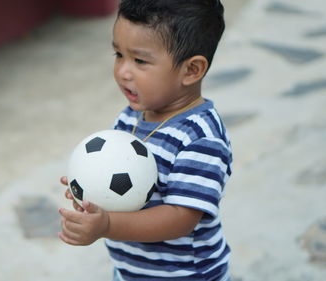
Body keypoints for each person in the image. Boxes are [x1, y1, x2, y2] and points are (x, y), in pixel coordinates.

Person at [58, 0, 232, 280]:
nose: (123, 71)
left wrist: (106, 224)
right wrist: (91, 190)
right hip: (132, 271)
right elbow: (122, 188)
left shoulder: (201, 138)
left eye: (139, 60)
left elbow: (180, 219)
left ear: (191, 70)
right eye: (118, 54)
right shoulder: (131, 116)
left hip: (186, 275)